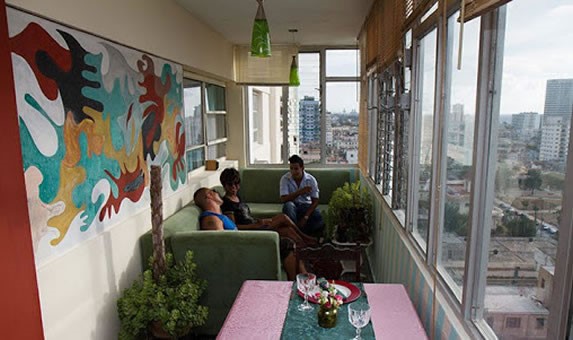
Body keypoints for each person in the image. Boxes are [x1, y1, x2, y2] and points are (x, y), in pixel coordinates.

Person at [193, 187, 305, 280]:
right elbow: (222, 245)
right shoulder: (211, 219)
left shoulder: (219, 215)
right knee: (287, 244)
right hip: (244, 250)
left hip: (244, 244)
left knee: (288, 235)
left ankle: (305, 280)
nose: (218, 194)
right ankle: (293, 285)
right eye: (214, 192)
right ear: (209, 196)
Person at [218, 167, 318, 248]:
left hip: (255, 224)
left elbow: (247, 217)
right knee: (283, 217)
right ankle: (306, 239)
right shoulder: (227, 203)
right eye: (230, 185)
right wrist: (255, 225)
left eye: (236, 184)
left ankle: (306, 249)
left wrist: (260, 220)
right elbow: (234, 227)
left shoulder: (237, 197)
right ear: (224, 185)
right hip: (251, 230)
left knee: (288, 231)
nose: (234, 187)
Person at [280, 155, 325, 236]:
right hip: (292, 205)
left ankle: (300, 234)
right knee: (288, 206)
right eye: (291, 169)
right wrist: (300, 192)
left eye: (296, 169)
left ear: (302, 168)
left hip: (305, 205)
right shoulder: (285, 179)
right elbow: (284, 199)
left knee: (318, 216)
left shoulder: (311, 179)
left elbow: (315, 201)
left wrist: (305, 217)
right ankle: (299, 235)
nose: (293, 171)